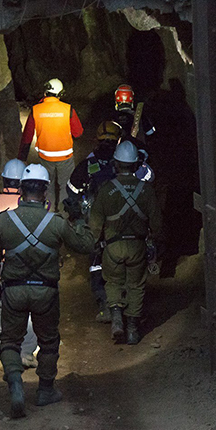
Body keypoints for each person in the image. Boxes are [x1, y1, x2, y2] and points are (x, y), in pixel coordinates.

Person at [0, 164, 94, 418]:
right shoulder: (55, 223)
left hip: (13, 291)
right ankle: (44, 390)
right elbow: (85, 245)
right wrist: (78, 219)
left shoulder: (4, 221)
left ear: (21, 190)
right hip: (45, 293)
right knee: (48, 341)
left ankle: (15, 384)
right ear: (45, 192)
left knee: (10, 341)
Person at [64, 121, 155, 323]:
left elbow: (72, 190)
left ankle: (106, 305)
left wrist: (78, 211)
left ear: (96, 139)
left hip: (100, 224)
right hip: (129, 224)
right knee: (133, 268)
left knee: (97, 263)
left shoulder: (88, 165)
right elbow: (149, 179)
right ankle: (131, 312)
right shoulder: (129, 165)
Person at [89, 141, 162, 346]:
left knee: (113, 282)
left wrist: (94, 242)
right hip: (137, 247)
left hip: (112, 247)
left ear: (116, 163)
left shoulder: (106, 190)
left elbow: (95, 222)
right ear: (136, 164)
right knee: (136, 285)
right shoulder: (146, 190)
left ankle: (117, 320)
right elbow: (156, 221)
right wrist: (156, 239)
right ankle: (132, 330)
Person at [0, 159, 38, 368]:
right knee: (29, 307)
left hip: (0, 263)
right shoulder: (32, 202)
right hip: (25, 263)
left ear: (3, 179)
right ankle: (26, 352)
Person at [18, 78, 84, 211]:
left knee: (47, 185)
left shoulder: (36, 110)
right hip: (65, 157)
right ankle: (64, 216)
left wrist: (22, 157)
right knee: (66, 186)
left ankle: (49, 214)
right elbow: (78, 133)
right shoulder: (68, 109)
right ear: (60, 94)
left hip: (45, 157)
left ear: (45, 92)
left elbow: (27, 136)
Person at [112, 84, 156, 149]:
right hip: (137, 152)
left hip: (117, 153)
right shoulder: (140, 115)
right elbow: (150, 132)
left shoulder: (112, 117)